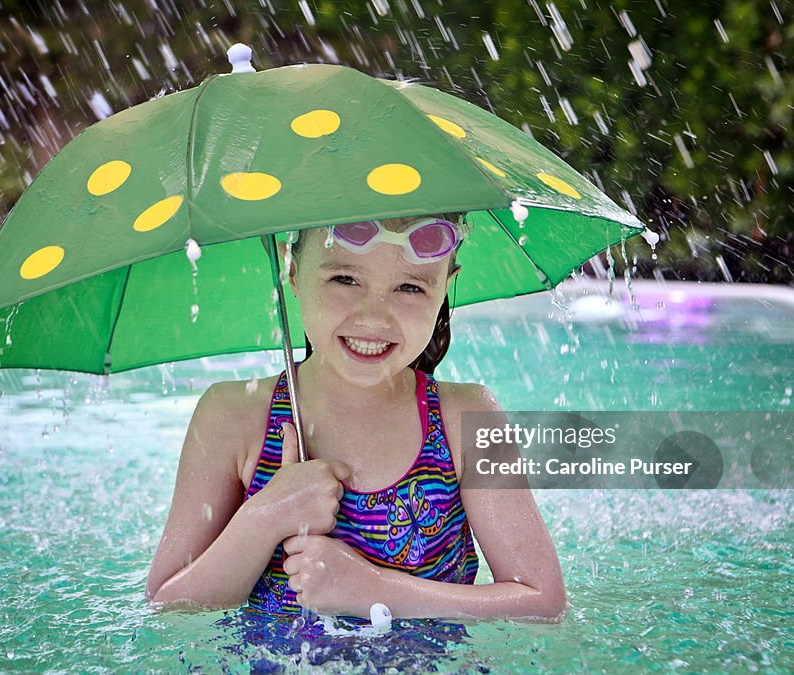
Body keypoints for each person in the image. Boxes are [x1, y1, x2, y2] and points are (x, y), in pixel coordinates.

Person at [145, 213, 567, 624]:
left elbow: (541, 601)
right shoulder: (233, 417)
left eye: (410, 287)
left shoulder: (465, 418)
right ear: (292, 273)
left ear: (445, 288)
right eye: (344, 279)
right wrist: (265, 516)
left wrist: (377, 591)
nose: (373, 317)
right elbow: (168, 605)